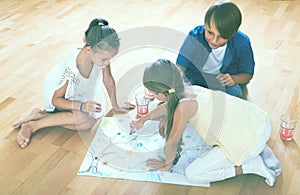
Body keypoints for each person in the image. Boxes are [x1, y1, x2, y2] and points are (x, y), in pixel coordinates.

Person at [130, 59, 281, 186]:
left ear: (162, 93)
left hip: (251, 142)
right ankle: (260, 149)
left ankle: (249, 166)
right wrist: (143, 119)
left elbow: (172, 142)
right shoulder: (190, 89)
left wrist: (166, 164)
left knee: (194, 174)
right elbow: (168, 105)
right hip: (257, 122)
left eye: (153, 93)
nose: (153, 95)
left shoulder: (183, 107)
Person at [13, 18, 135, 149]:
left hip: (80, 92)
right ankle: (32, 125)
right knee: (83, 119)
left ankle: (40, 115)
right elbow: (56, 100)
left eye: (109, 59)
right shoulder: (73, 69)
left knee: (89, 122)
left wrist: (115, 105)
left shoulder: (100, 53)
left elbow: (108, 79)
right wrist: (82, 106)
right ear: (89, 50)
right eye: (105, 59)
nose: (107, 63)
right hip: (59, 96)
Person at [176, 1, 254, 98]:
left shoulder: (242, 43)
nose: (214, 41)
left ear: (233, 34)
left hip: (222, 82)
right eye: (210, 32)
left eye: (221, 37)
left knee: (235, 93)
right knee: (178, 88)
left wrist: (234, 79)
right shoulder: (195, 37)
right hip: (195, 76)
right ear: (205, 25)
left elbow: (247, 74)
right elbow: (180, 66)